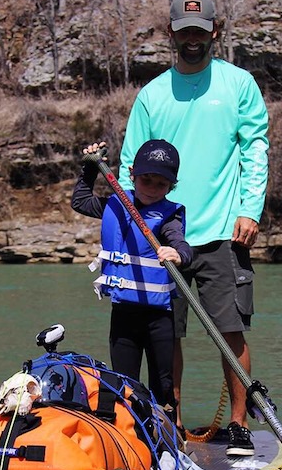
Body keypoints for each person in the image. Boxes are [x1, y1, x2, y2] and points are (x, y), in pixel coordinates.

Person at [118, 0, 269, 456]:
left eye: (200, 32)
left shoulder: (238, 84)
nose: (192, 40)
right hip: (162, 237)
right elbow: (128, 166)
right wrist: (134, 226)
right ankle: (172, 424)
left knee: (228, 329)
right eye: (184, 32)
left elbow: (255, 147)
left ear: (214, 33)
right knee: (167, 336)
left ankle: (240, 424)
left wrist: (250, 208)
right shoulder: (152, 94)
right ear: (171, 34)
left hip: (223, 231)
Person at [72, 139, 193, 419]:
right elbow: (80, 201)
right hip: (124, 314)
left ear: (171, 187)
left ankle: (166, 439)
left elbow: (182, 245)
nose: (151, 189)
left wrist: (178, 254)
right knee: (124, 384)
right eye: (146, 180)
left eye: (160, 184)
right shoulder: (116, 204)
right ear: (132, 175)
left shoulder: (169, 216)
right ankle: (130, 439)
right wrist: (89, 168)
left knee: (163, 385)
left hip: (159, 318)